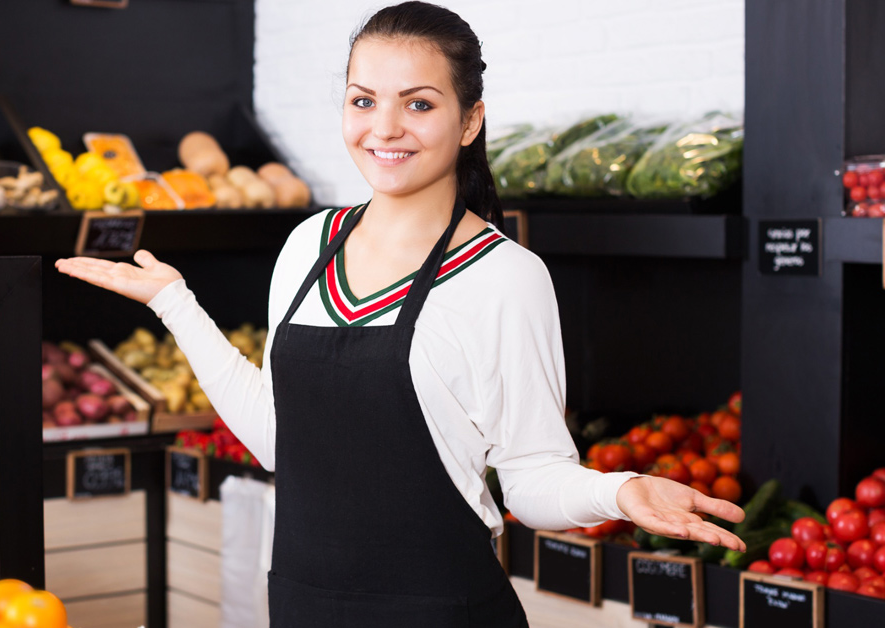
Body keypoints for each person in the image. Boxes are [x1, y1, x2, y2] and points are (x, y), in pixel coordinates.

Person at [57, 2, 745, 625]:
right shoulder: (308, 247)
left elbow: (530, 478)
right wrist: (175, 304)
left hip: (443, 613)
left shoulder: (506, 276)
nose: (384, 128)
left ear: (470, 119)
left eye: (418, 104)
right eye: (364, 100)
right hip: (302, 607)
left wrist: (618, 492)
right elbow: (280, 442)